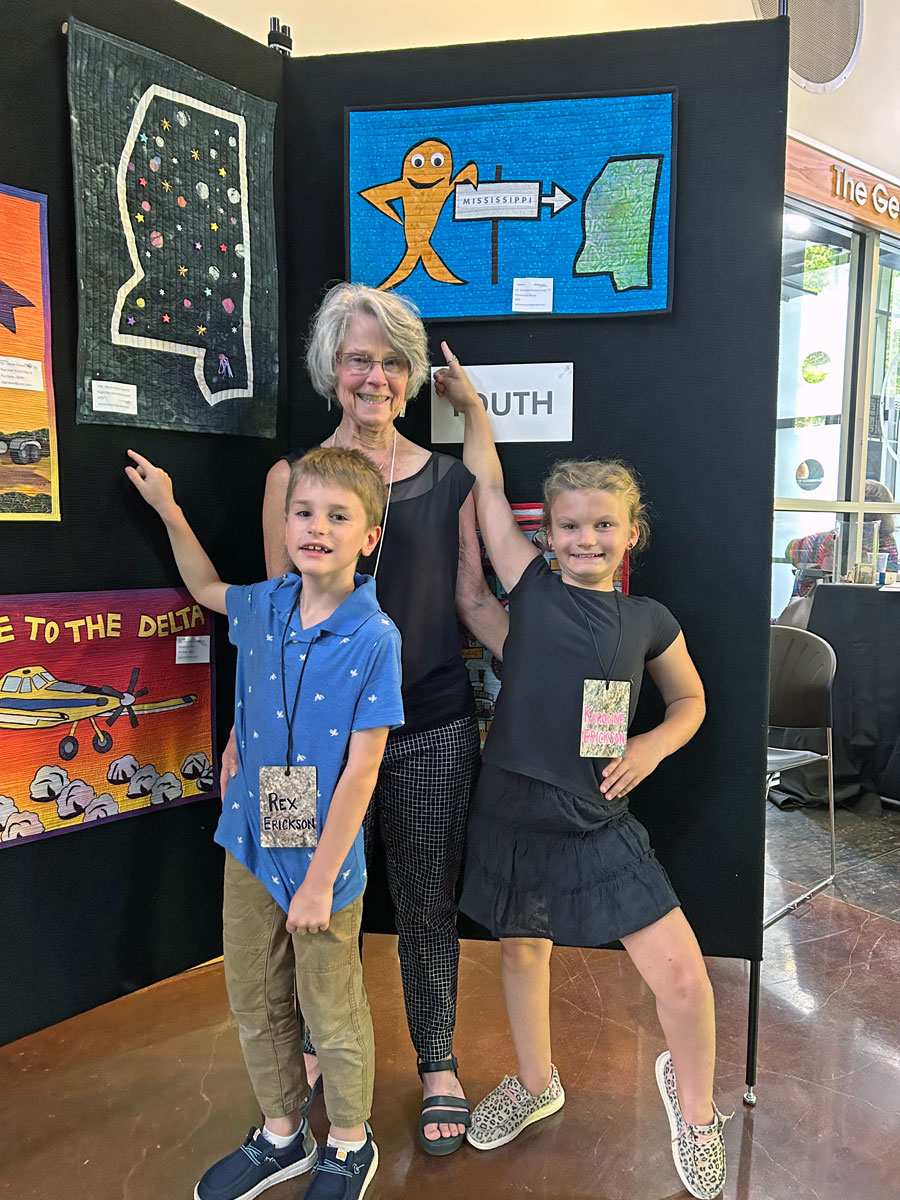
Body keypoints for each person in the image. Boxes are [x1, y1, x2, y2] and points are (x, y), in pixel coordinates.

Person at [434, 347, 730, 1200]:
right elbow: (486, 490)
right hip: (509, 807)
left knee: (680, 974)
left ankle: (699, 1108)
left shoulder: (648, 619)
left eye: (604, 525)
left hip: (597, 815)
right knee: (523, 954)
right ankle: (536, 1082)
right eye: (570, 525)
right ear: (547, 534)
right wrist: (474, 414)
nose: (586, 538)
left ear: (630, 533)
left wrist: (650, 748)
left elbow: (691, 705)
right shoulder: (527, 587)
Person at [221, 282, 509, 1154]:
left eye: (391, 361)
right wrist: (241, 731)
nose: (374, 377)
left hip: (427, 729)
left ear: (413, 375)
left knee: (423, 901)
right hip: (295, 755)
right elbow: (271, 618)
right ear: (330, 370)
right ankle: (309, 1048)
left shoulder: (451, 479)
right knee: (292, 903)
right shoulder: (290, 480)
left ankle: (436, 1061)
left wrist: (550, 669)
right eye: (358, 358)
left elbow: (472, 599)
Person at [126, 446, 404, 1200]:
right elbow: (206, 585)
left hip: (325, 861)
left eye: (337, 516)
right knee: (254, 991)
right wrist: (169, 509)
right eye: (304, 513)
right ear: (285, 524)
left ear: (367, 537)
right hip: (252, 835)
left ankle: (349, 1141)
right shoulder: (266, 602)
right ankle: (284, 1133)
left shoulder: (374, 639)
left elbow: (363, 770)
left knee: (329, 1001)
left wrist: (318, 885)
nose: (316, 528)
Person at [785, 479, 899, 597]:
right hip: (867, 606)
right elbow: (890, 577)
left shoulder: (829, 539)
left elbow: (791, 551)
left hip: (820, 606)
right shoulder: (887, 542)